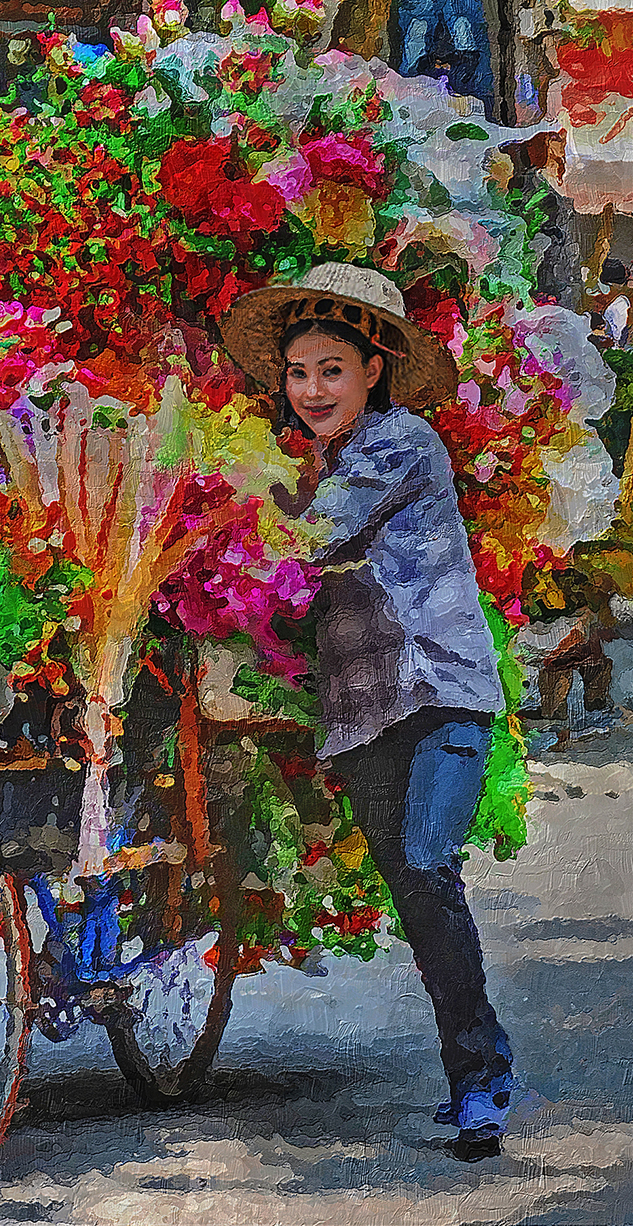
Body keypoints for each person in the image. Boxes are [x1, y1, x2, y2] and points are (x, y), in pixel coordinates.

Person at [220, 262, 514, 1163]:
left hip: (439, 693)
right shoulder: (309, 459)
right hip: (361, 712)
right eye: (299, 372)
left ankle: (479, 1081)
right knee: (416, 897)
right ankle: (480, 1057)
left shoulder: (400, 442)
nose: (312, 389)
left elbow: (309, 535)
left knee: (427, 868)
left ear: (373, 371)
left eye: (332, 371)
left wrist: (217, 504)